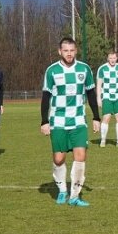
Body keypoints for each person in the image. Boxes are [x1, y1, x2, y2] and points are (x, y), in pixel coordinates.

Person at [41, 37, 101, 207]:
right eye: (65, 50)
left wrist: (96, 117)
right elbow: (46, 97)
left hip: (78, 121)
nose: (69, 53)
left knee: (80, 157)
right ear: (59, 51)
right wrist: (44, 121)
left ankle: (75, 196)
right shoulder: (52, 71)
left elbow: (90, 94)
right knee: (59, 159)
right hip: (58, 121)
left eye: (72, 50)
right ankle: (62, 190)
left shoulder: (84, 69)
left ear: (76, 51)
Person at [96, 51, 118, 148]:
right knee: (106, 118)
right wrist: (98, 98)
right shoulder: (102, 68)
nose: (112, 60)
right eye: (110, 58)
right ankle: (103, 141)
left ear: (117, 58)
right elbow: (99, 84)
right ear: (108, 59)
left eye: (114, 58)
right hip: (106, 97)